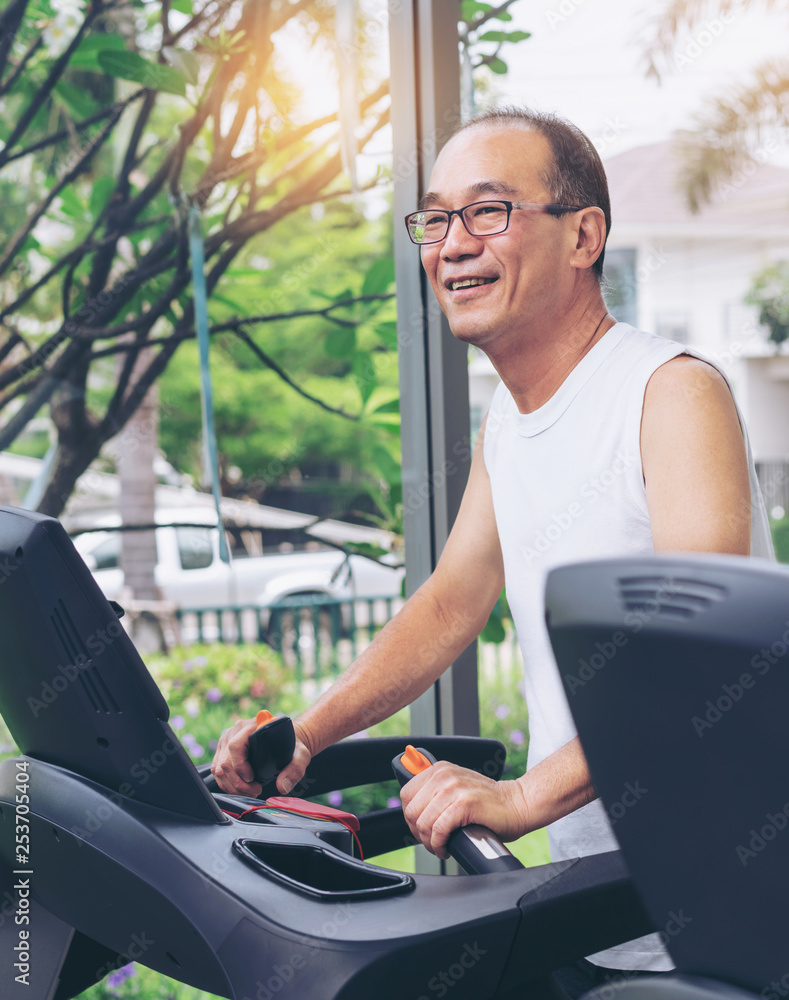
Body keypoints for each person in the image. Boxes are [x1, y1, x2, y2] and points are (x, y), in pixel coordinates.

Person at [212, 106, 773, 992]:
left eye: (489, 211)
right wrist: (307, 737)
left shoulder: (670, 394)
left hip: (738, 908)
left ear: (583, 233)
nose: (452, 244)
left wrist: (519, 799)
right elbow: (450, 603)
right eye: (435, 219)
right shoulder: (509, 423)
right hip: (608, 894)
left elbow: (689, 662)